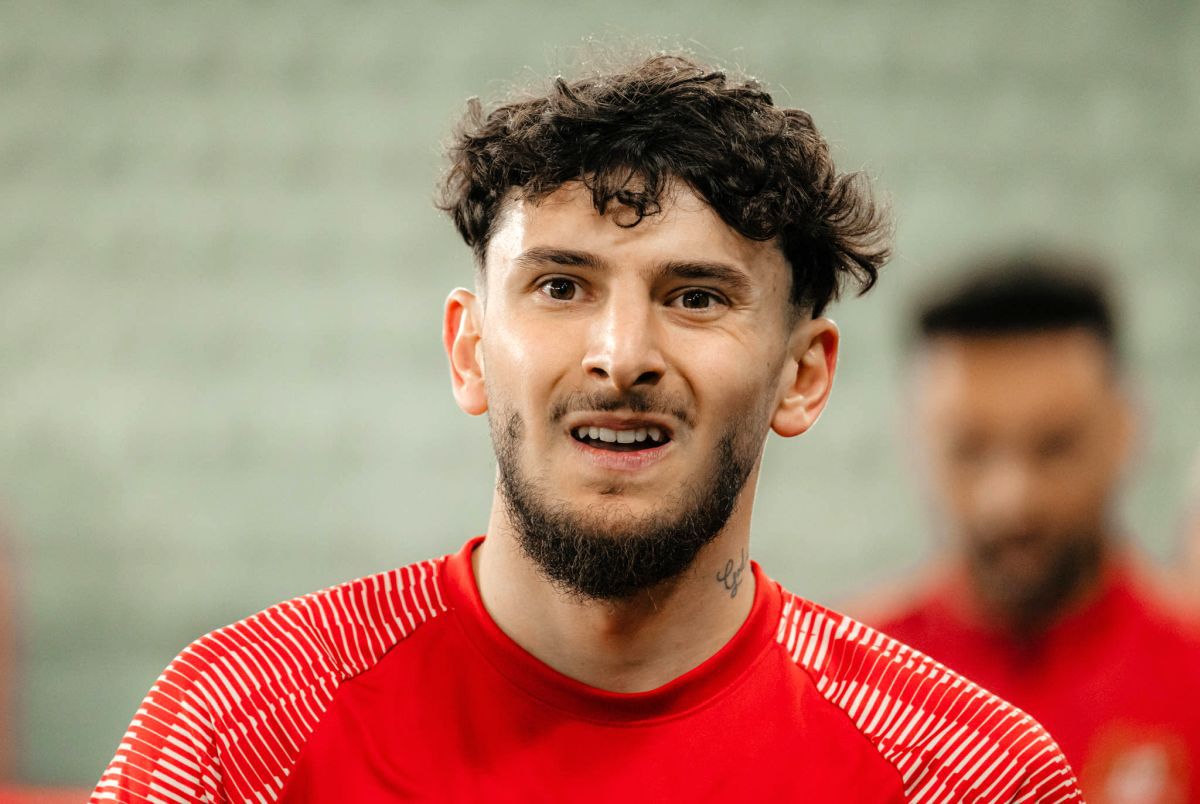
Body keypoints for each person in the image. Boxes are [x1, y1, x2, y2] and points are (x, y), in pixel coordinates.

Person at [90, 56, 1081, 803]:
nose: (621, 355)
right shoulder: (232, 735)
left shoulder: (972, 778)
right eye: (561, 286)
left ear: (802, 375)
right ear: (470, 351)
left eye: (696, 297)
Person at [853, 254, 1200, 803]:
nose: (1011, 500)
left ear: (1125, 430)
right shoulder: (844, 689)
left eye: (1054, 445)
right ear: (917, 444)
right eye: (970, 449)